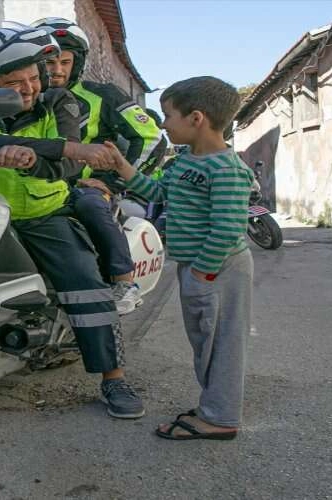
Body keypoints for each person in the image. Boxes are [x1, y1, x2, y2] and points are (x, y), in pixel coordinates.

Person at [0, 24, 144, 419]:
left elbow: (68, 165)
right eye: (14, 83)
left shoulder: (59, 101)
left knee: (84, 282)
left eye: (33, 77)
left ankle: (113, 377)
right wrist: (51, 149)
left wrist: (35, 161)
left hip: (42, 214)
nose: (29, 88)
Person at [94, 76, 254, 439]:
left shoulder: (225, 169)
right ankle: (214, 407)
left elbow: (227, 230)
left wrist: (201, 274)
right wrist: (122, 166)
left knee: (222, 345)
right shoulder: (185, 161)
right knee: (205, 343)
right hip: (200, 267)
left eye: (168, 115)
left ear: (196, 118)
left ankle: (220, 419)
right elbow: (157, 193)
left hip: (218, 268)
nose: (163, 125)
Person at [32, 17, 166, 315]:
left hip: (86, 188)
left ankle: (124, 282)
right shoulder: (26, 97)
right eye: (49, 62)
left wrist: (112, 182)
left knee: (91, 204)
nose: (56, 70)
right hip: (32, 187)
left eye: (65, 62)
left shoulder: (103, 95)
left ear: (77, 63)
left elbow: (152, 138)